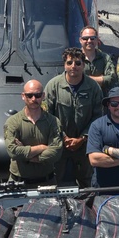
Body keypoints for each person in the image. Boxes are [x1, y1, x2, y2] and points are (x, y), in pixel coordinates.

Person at [43, 47, 104, 188]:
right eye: (69, 63)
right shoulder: (53, 86)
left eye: (77, 63)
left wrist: (82, 138)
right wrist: (63, 137)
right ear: (64, 65)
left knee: (86, 181)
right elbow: (47, 115)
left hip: (84, 145)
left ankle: (87, 207)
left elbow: (98, 116)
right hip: (58, 143)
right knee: (53, 180)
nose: (73, 67)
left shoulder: (93, 87)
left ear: (83, 65)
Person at [4, 80, 63, 186]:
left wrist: (29, 157)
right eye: (29, 95)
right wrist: (41, 148)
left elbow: (56, 152)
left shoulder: (53, 122)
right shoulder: (13, 122)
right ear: (23, 96)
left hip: (46, 183)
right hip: (18, 183)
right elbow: (12, 151)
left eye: (37, 95)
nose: (33, 99)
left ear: (43, 96)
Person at [80, 26, 118, 95]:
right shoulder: (75, 58)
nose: (89, 41)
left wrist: (86, 79)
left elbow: (112, 79)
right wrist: (101, 79)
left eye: (92, 38)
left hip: (100, 98)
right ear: (80, 40)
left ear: (97, 40)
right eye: (85, 38)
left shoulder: (105, 57)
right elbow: (72, 78)